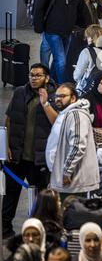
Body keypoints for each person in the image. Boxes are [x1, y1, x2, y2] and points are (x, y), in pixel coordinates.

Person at [2, 63, 57, 239]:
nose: (33, 78)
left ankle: (40, 230)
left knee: (42, 198)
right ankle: (5, 228)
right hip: (17, 156)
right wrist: (7, 147)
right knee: (11, 194)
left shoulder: (55, 95)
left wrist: (46, 103)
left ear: (47, 78)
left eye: (38, 75)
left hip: (39, 158)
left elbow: (57, 123)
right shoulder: (19, 92)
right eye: (31, 75)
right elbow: (9, 119)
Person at [33, 0, 91, 84]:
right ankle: (62, 88)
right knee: (61, 61)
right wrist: (38, 27)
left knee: (57, 61)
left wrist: (90, 27)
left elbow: (82, 9)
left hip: (67, 31)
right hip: (52, 31)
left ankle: (52, 83)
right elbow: (39, 5)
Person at [47, 83, 100, 199]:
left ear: (73, 98)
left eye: (62, 96)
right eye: (56, 96)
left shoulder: (76, 115)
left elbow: (77, 145)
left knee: (72, 215)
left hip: (74, 182)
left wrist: (66, 171)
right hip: (68, 182)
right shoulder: (67, 113)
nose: (58, 99)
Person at [73, 24, 102, 94]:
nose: (87, 39)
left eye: (88, 36)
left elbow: (77, 76)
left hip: (88, 92)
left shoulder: (86, 52)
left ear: (92, 38)